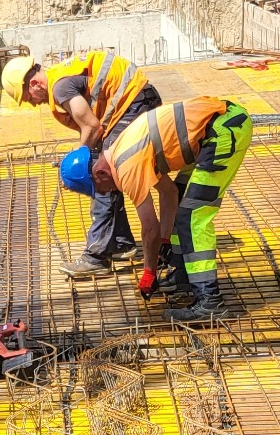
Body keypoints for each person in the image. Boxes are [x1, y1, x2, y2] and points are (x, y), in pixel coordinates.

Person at [59, 94, 253, 322]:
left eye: (98, 188)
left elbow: (149, 228)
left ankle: (210, 301)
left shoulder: (126, 167)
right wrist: (164, 241)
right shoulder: (119, 151)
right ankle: (185, 276)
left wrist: (149, 271)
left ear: (100, 173)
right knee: (182, 202)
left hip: (224, 131)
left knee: (192, 218)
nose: (104, 193)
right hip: (217, 128)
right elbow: (170, 194)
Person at [0, 50, 162, 280]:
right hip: (137, 100)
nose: (34, 104)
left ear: (35, 84)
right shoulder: (60, 77)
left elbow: (93, 127)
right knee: (105, 169)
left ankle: (96, 257)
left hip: (134, 105)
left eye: (28, 98)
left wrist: (77, 163)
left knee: (100, 174)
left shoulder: (60, 87)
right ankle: (120, 243)